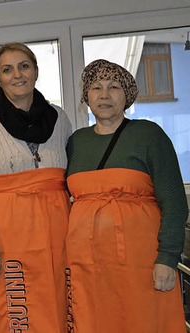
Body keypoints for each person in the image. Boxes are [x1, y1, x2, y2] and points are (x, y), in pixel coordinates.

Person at [65, 59, 188, 332]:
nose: (104, 94)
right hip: (87, 265)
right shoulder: (76, 141)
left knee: (145, 324)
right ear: (86, 96)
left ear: (127, 95)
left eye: (114, 87)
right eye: (96, 87)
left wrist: (167, 259)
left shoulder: (149, 135)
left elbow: (175, 204)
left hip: (141, 264)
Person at [0, 43, 72, 332]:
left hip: (56, 235)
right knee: (10, 313)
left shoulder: (59, 119)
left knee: (55, 308)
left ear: (36, 71)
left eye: (24, 66)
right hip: (4, 236)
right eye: (7, 69)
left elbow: (71, 176)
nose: (17, 75)